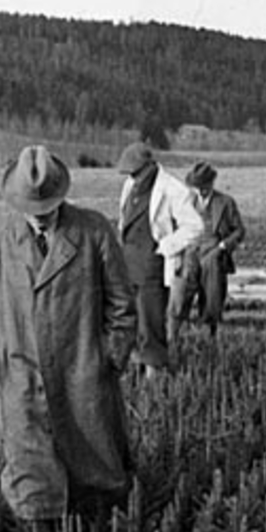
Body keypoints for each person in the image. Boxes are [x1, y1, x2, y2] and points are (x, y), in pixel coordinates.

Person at [0, 145, 137, 532]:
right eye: (31, 207)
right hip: (20, 371)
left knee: (94, 464)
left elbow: (122, 305)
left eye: (47, 207)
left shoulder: (93, 231)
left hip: (81, 372)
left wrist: (109, 358)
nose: (39, 215)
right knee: (30, 468)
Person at [115, 142, 204, 379]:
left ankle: (154, 376)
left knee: (151, 322)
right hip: (127, 263)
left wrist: (165, 246)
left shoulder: (173, 189)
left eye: (135, 172)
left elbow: (195, 227)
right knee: (129, 320)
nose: (132, 178)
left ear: (149, 167)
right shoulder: (130, 186)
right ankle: (134, 370)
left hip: (152, 265)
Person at [174, 162, 246, 336]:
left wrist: (223, 246)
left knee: (212, 294)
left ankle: (209, 329)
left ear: (211, 183)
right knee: (182, 292)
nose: (200, 191)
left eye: (204, 186)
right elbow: (175, 227)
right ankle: (178, 328)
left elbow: (239, 230)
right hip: (191, 251)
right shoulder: (185, 203)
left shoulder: (226, 202)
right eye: (197, 187)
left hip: (214, 252)